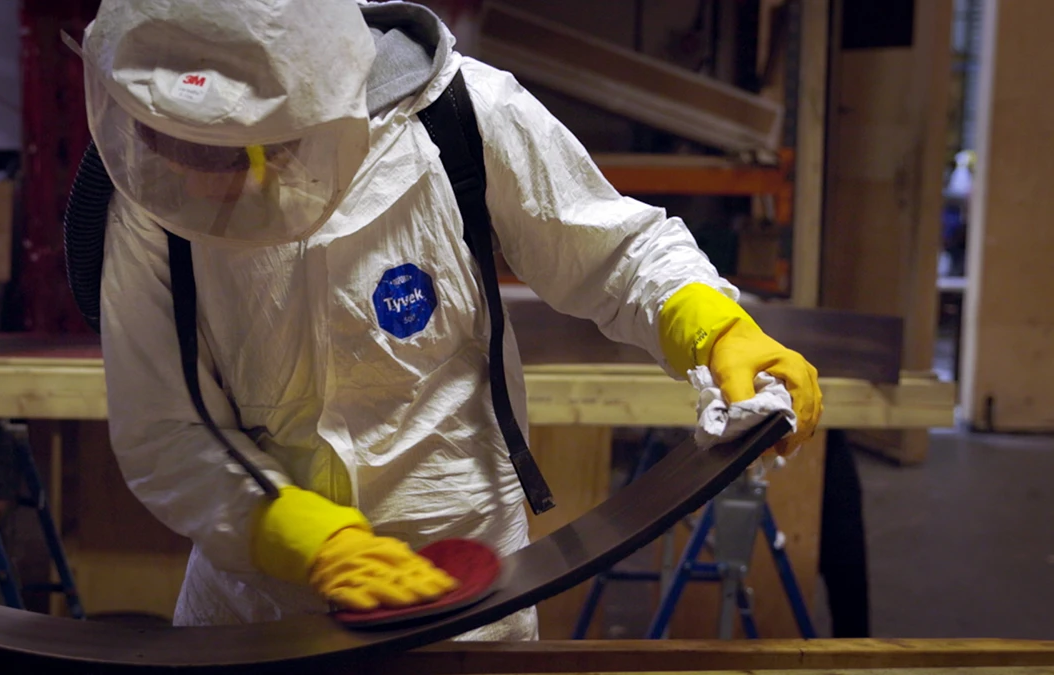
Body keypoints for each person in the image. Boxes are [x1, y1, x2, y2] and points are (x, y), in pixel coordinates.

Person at [79, 0, 822, 639]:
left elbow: (615, 252)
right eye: (165, 142)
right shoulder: (147, 186)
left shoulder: (458, 116)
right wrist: (295, 534)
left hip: (467, 586)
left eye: (224, 157)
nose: (192, 180)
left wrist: (714, 326)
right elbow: (164, 425)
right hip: (256, 611)